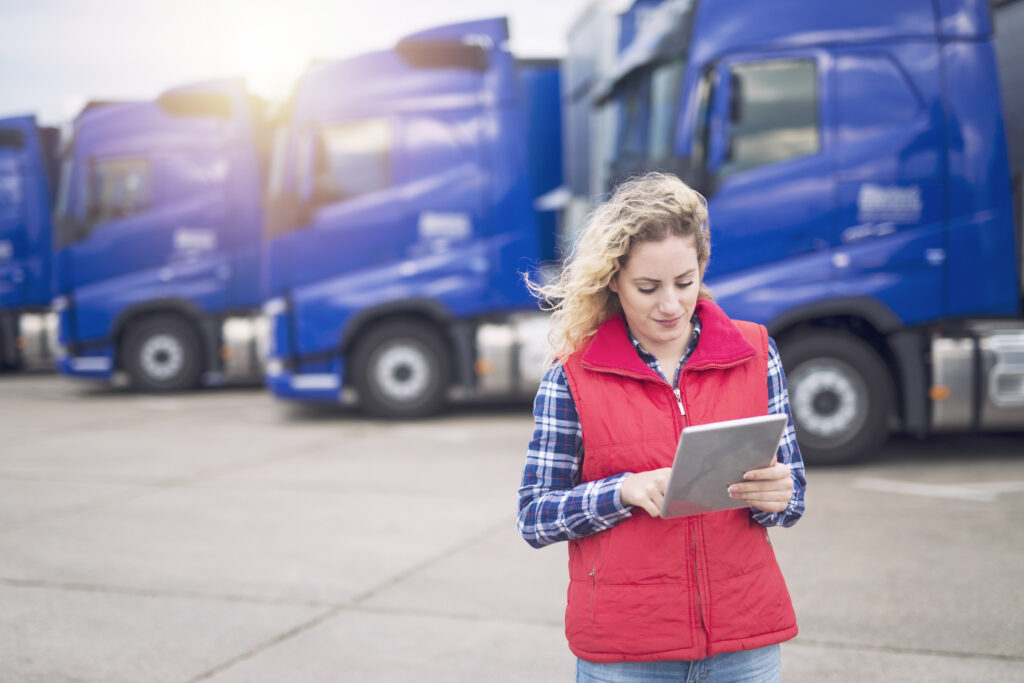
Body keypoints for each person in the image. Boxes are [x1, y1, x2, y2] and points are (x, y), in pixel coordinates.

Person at [517, 172, 806, 682]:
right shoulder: (572, 376)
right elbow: (535, 516)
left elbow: (793, 496)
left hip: (744, 644)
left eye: (685, 282)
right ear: (613, 279)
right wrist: (622, 491)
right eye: (647, 287)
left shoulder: (757, 352)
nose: (670, 305)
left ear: (702, 268)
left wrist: (780, 495)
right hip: (627, 655)